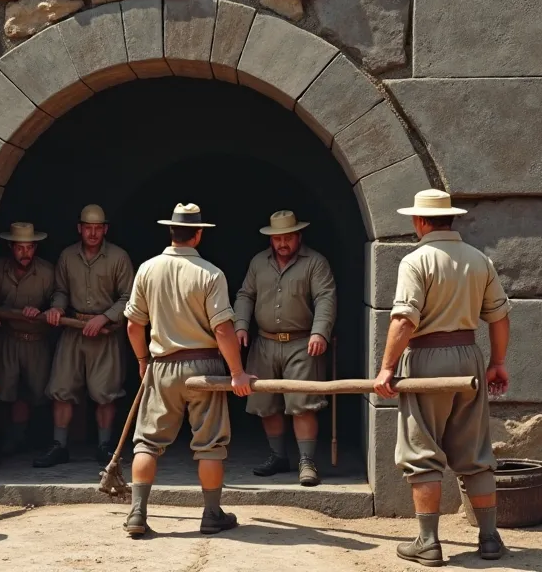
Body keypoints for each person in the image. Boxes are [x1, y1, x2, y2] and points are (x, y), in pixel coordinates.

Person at [373, 189, 511, 566]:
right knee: (476, 453)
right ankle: (489, 539)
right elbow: (499, 316)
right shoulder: (479, 260)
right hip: (469, 358)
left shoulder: (416, 260)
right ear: (450, 219)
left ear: (419, 221)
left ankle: (428, 542)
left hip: (426, 360)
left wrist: (387, 367)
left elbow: (404, 319)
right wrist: (497, 362)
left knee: (422, 451)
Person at [122, 203, 257, 537]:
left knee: (147, 443)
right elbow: (224, 329)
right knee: (210, 444)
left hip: (162, 365)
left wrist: (142, 361)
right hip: (204, 368)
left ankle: (138, 514)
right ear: (198, 235)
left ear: (171, 232)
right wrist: (237, 372)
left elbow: (133, 326)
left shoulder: (147, 270)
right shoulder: (210, 273)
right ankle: (212, 514)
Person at [234, 210, 336, 486]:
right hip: (265, 342)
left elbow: (325, 298)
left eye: (287, 237)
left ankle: (307, 461)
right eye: (277, 238)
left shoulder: (315, 262)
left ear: (298, 236)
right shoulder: (258, 262)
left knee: (302, 404)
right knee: (266, 404)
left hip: (302, 343)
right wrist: (241, 324)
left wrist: (319, 333)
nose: (282, 243)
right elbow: (246, 294)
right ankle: (278, 456)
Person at [33, 204, 135, 467]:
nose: (92, 233)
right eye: (88, 228)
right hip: (73, 328)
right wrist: (57, 307)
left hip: (105, 333)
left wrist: (106, 317)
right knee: (61, 388)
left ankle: (104, 445)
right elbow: (60, 290)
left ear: (105, 229)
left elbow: (129, 297)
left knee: (106, 392)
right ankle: (59, 445)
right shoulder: (67, 256)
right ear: (79, 228)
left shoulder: (119, 257)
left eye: (97, 228)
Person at [0, 222, 55, 455]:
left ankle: (39, 440)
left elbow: (58, 297)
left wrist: (53, 311)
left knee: (40, 393)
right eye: (20, 248)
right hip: (9, 338)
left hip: (38, 339)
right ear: (11, 246)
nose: (25, 253)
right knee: (5, 392)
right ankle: (8, 441)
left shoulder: (47, 272)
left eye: (29, 248)